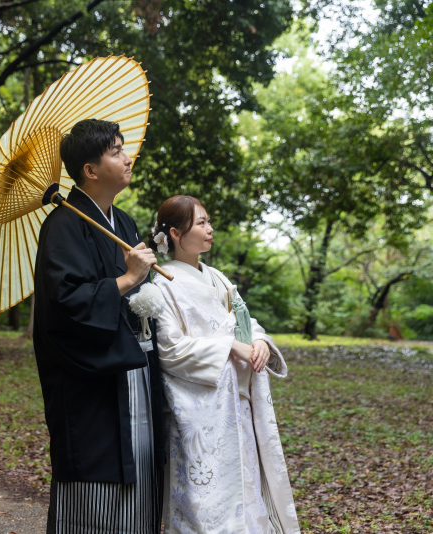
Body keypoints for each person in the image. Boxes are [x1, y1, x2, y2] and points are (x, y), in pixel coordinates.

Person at [33, 119, 166, 534]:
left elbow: (142, 290)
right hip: (90, 383)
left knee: (141, 468)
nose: (127, 158)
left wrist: (145, 287)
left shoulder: (122, 222)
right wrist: (127, 280)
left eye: (124, 149)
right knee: (96, 485)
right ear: (90, 170)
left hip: (135, 371)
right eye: (115, 151)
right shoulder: (63, 225)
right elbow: (67, 303)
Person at [148, 195, 300, 533]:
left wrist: (258, 341)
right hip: (201, 407)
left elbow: (245, 321)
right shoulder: (162, 283)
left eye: (207, 221)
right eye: (201, 223)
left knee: (244, 489)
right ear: (175, 232)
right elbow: (169, 348)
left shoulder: (217, 278)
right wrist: (228, 346)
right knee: (203, 499)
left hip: (237, 403)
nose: (210, 229)